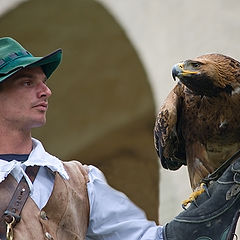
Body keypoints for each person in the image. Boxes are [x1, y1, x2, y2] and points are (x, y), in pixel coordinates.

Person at [0, 37, 239, 240]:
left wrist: (208, 214)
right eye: (28, 82)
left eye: (44, 82)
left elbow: (150, 238)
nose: (46, 91)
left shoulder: (81, 183)